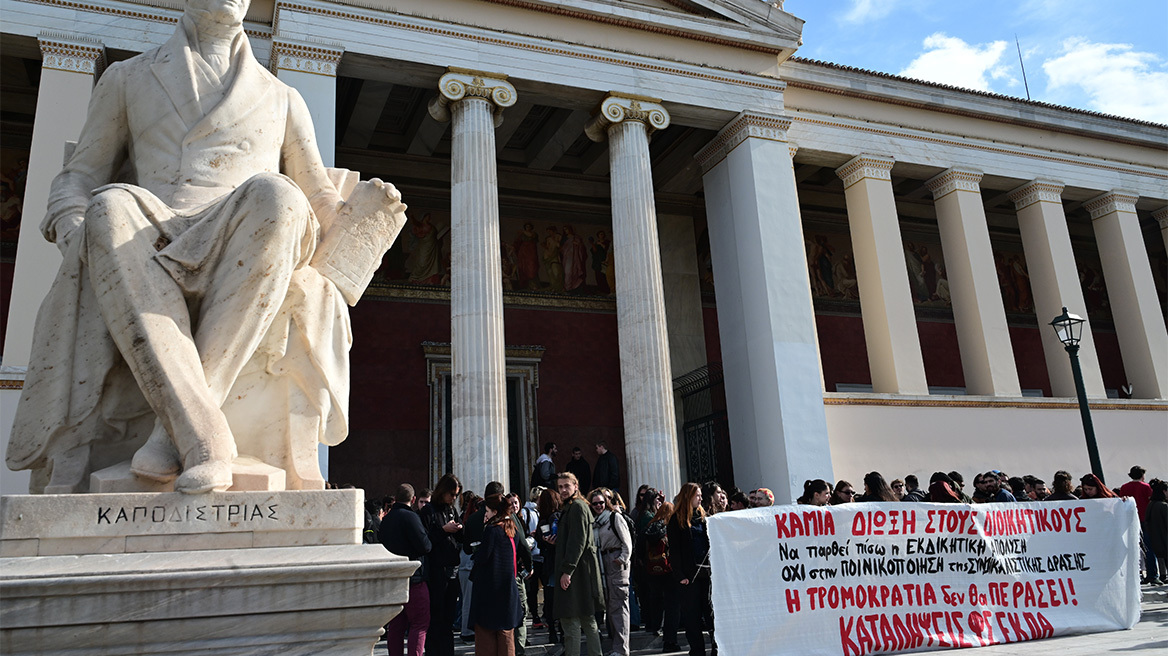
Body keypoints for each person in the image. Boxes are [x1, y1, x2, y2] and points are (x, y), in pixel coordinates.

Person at [7, 0, 408, 494]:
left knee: (279, 195)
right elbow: (79, 178)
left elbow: (316, 195)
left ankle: (173, 432)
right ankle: (202, 433)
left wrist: (363, 215)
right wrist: (74, 228)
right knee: (108, 206)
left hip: (242, 228)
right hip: (152, 226)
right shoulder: (127, 78)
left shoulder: (282, 97)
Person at [551, 472, 605, 656]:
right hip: (579, 571)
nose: (563, 490)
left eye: (567, 486)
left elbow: (578, 541)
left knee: (571, 620)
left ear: (576, 485)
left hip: (577, 573)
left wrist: (567, 570)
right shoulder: (574, 507)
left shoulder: (577, 507)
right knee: (586, 618)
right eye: (560, 487)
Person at [381, 483, 433, 656]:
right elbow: (425, 546)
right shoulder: (411, 518)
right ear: (413, 499)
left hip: (393, 578)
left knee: (396, 625)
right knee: (419, 624)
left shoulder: (387, 519)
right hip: (414, 578)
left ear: (395, 499)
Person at [469, 494, 524, 656]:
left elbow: (483, 558)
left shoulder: (492, 531)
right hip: (507, 590)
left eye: (487, 511)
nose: (485, 514)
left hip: (489, 593)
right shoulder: (512, 528)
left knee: (486, 638)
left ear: (494, 511)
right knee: (506, 636)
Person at [419, 474, 464, 656]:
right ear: (443, 491)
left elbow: (459, 538)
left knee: (448, 618)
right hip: (436, 572)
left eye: (456, 495)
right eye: (451, 494)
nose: (453, 498)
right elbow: (425, 542)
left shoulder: (451, 510)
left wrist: (460, 529)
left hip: (452, 570)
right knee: (435, 618)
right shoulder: (429, 511)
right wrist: (444, 530)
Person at [668, 483, 714, 656]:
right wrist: (679, 575)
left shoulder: (704, 517)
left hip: (707, 574)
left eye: (701, 495)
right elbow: (675, 550)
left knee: (710, 614)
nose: (701, 498)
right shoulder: (676, 520)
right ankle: (697, 651)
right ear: (688, 497)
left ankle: (716, 648)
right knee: (692, 616)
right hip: (689, 576)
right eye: (697, 495)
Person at [590, 489, 633, 656]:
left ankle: (621, 649)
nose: (599, 506)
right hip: (602, 564)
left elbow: (627, 542)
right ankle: (617, 647)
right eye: (595, 503)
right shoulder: (595, 522)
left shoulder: (614, 517)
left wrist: (622, 559)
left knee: (619, 606)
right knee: (610, 606)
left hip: (615, 562)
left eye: (601, 502)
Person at [641, 502, 680, 652]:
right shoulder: (670, 527)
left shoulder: (650, 527)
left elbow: (639, 546)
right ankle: (670, 640)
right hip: (670, 571)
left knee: (655, 599)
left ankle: (654, 625)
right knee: (672, 606)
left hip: (652, 571)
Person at [534, 487, 564, 645]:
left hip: (549, 564)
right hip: (558, 563)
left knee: (550, 598)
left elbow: (540, 541)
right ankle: (562, 631)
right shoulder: (558, 516)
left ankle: (552, 630)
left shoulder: (543, 519)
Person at [1118, 466, 1157, 584]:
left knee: (1132, 547)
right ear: (1142, 475)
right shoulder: (1146, 487)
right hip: (1145, 520)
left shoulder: (1124, 487)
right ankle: (1152, 574)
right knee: (1148, 548)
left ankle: (1135, 574)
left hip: (1130, 520)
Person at [522, 487, 546, 629]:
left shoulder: (540, 511)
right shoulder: (527, 512)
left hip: (540, 554)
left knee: (543, 586)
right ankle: (535, 616)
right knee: (532, 589)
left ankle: (542, 615)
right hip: (532, 555)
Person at [1145, 479, 1167, 586]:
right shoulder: (1163, 506)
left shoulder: (1151, 504)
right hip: (1164, 540)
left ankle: (1163, 575)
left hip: (1155, 539)